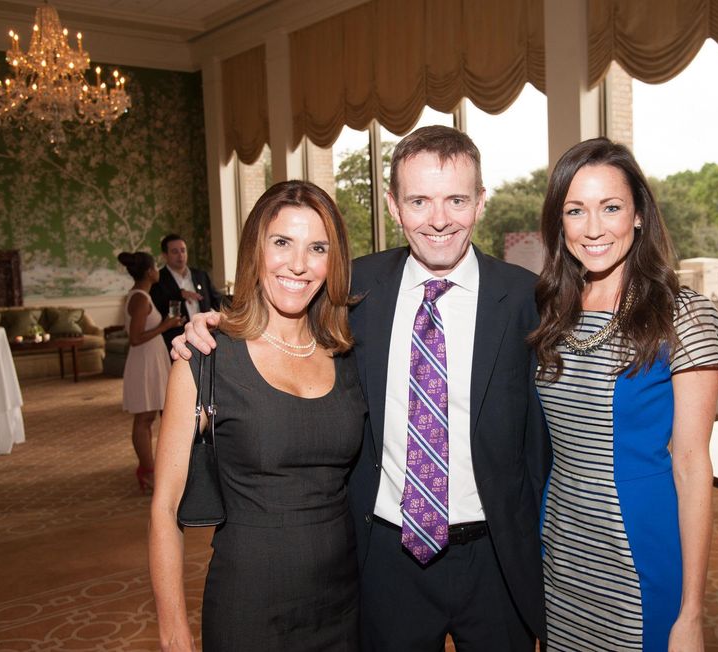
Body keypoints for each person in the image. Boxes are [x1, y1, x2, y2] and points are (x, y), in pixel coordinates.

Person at [175, 126, 550, 651]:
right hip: (383, 560)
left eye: (456, 200)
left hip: (494, 559)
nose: (438, 219)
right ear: (394, 206)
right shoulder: (352, 291)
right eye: (419, 200)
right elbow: (279, 316)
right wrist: (212, 326)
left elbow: (541, 441)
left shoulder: (524, 298)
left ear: (480, 202)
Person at [528, 138, 718, 651]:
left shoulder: (682, 314)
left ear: (638, 214)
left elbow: (691, 464)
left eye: (610, 207)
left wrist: (693, 614)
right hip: (561, 542)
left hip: (638, 544)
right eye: (576, 211)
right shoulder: (550, 310)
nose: (593, 229)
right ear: (559, 222)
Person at [149, 181, 365, 651]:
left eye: (317, 248)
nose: (298, 264)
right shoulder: (206, 357)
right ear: (255, 250)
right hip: (249, 603)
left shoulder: (347, 352)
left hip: (344, 600)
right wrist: (173, 633)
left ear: (333, 262)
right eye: (282, 242)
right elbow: (165, 506)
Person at [116, 251, 182, 492]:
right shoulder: (140, 298)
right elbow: (135, 338)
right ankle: (147, 470)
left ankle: (155, 468)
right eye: (155, 266)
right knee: (144, 419)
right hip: (143, 362)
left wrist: (167, 324)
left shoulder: (143, 295)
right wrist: (165, 325)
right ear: (148, 272)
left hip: (152, 359)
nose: (158, 270)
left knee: (152, 417)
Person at [150, 233, 224, 347]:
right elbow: (157, 307)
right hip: (174, 342)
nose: (180, 255)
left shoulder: (201, 275)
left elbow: (217, 300)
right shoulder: (158, 279)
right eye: (175, 251)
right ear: (165, 255)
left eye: (183, 250)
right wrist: (179, 295)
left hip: (205, 338)